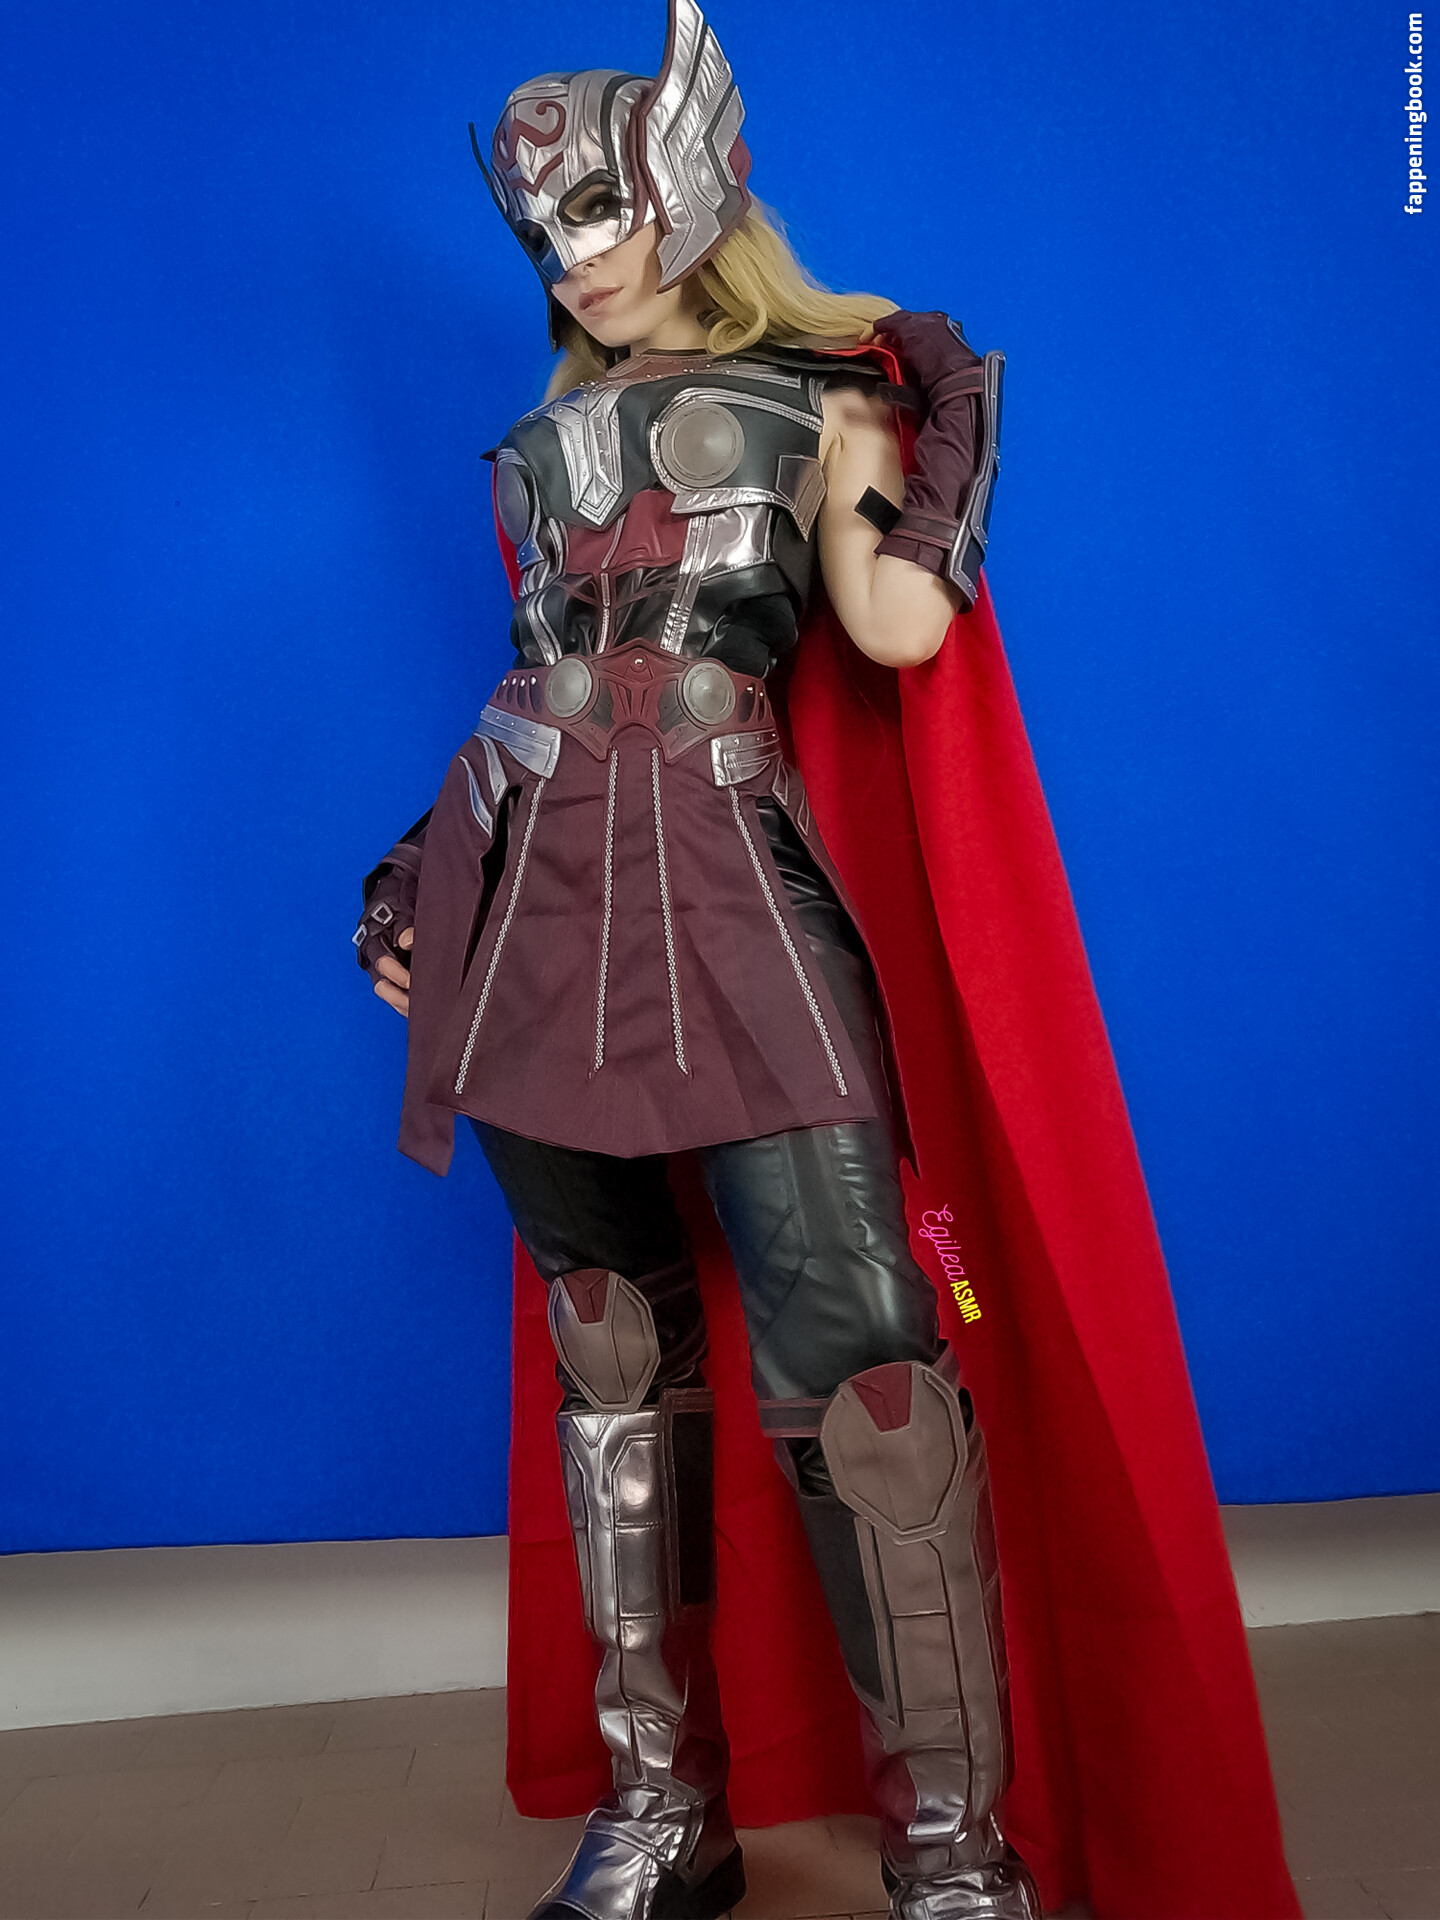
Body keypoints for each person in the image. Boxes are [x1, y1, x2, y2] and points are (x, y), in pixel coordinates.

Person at [356, 6, 1301, 1918]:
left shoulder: (821, 407)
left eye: (602, 212)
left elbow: (894, 634)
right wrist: (417, 873)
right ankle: (661, 1809)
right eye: (542, 233)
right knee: (611, 1354)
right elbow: (548, 691)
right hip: (537, 924)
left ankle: (953, 1848)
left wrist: (939, 431)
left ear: (697, 190)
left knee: (872, 1367)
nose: (574, 256)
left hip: (741, 913)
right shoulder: (532, 452)